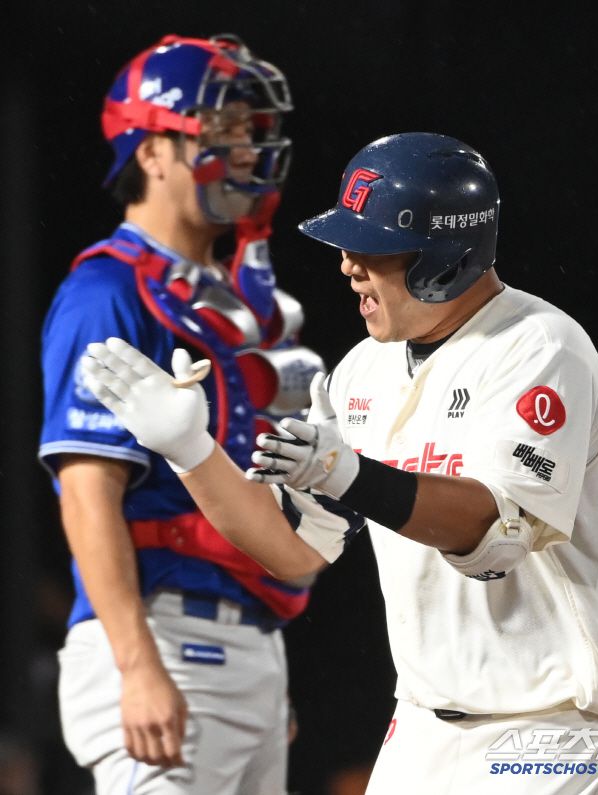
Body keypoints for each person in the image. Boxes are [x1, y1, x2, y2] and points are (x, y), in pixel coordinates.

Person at [81, 133, 598, 794]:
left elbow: (495, 536)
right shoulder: (363, 371)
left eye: (372, 247)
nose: (348, 264)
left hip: (555, 725)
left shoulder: (540, 346)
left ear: (443, 256)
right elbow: (294, 551)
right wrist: (191, 450)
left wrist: (346, 474)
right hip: (422, 724)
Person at [39, 33, 331, 794]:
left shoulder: (229, 298)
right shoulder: (109, 290)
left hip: (251, 648)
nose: (242, 149)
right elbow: (87, 493)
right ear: (152, 151)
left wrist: (261, 669)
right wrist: (138, 665)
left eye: (248, 129)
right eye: (220, 128)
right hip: (164, 639)